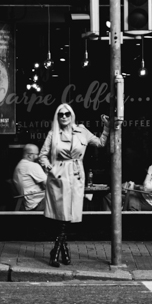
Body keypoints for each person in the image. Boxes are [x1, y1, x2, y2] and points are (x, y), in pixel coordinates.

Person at [39, 105, 110, 266]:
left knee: (70, 214)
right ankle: (58, 252)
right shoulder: (53, 134)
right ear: (57, 117)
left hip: (77, 175)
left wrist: (106, 126)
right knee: (62, 214)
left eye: (67, 113)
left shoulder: (82, 131)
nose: (64, 116)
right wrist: (50, 168)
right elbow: (42, 155)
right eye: (60, 114)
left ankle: (58, 250)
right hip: (59, 177)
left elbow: (100, 143)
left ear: (72, 115)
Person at [12, 143, 48, 211]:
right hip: (37, 203)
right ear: (29, 155)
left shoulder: (19, 166)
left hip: (27, 204)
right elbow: (49, 185)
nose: (38, 156)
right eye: (36, 154)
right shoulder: (32, 166)